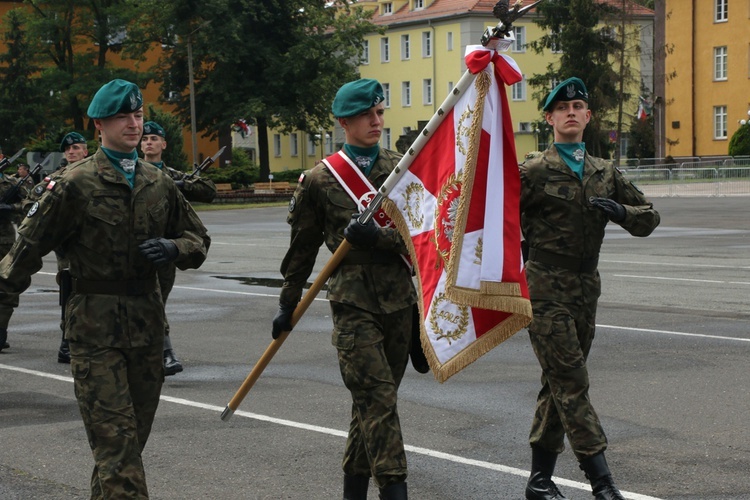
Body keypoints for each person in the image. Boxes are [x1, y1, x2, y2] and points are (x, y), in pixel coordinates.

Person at [0, 79, 210, 497]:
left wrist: (174, 247)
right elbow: (24, 251)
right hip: (94, 331)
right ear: (99, 124)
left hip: (148, 328)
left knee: (125, 451)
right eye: (122, 117)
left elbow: (198, 240)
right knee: (118, 452)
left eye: (137, 116)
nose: (133, 124)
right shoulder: (74, 184)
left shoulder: (158, 182)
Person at [272, 79, 417, 500]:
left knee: (370, 409)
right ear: (343, 122)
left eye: (380, 113)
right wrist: (287, 304)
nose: (377, 121)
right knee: (379, 403)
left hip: (400, 302)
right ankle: (396, 489)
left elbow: (424, 235)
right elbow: (300, 252)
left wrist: (381, 239)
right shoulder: (320, 179)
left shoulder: (402, 168)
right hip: (353, 303)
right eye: (367, 115)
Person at [519, 77, 661, 500]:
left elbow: (649, 217)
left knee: (557, 385)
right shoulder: (533, 169)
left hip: (586, 287)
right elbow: (496, 217)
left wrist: (621, 211)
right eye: (562, 108)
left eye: (579, 105)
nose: (571, 112)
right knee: (573, 382)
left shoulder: (604, 171)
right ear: (549, 117)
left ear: (588, 116)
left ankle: (539, 481)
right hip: (544, 286)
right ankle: (603, 483)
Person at [141, 120, 217, 375]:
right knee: (147, 303)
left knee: (157, 302)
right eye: (145, 139)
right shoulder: (132, 172)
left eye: (153, 139)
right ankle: (164, 352)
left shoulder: (171, 175)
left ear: (163, 144)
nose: (148, 143)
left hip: (165, 250)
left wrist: (183, 186)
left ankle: (160, 352)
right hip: (138, 248)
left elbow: (208, 190)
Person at [0, 160, 36, 352]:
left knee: (5, 286)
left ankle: (1, 330)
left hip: (4, 241)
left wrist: (11, 209)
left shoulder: (11, 183)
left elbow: (31, 203)